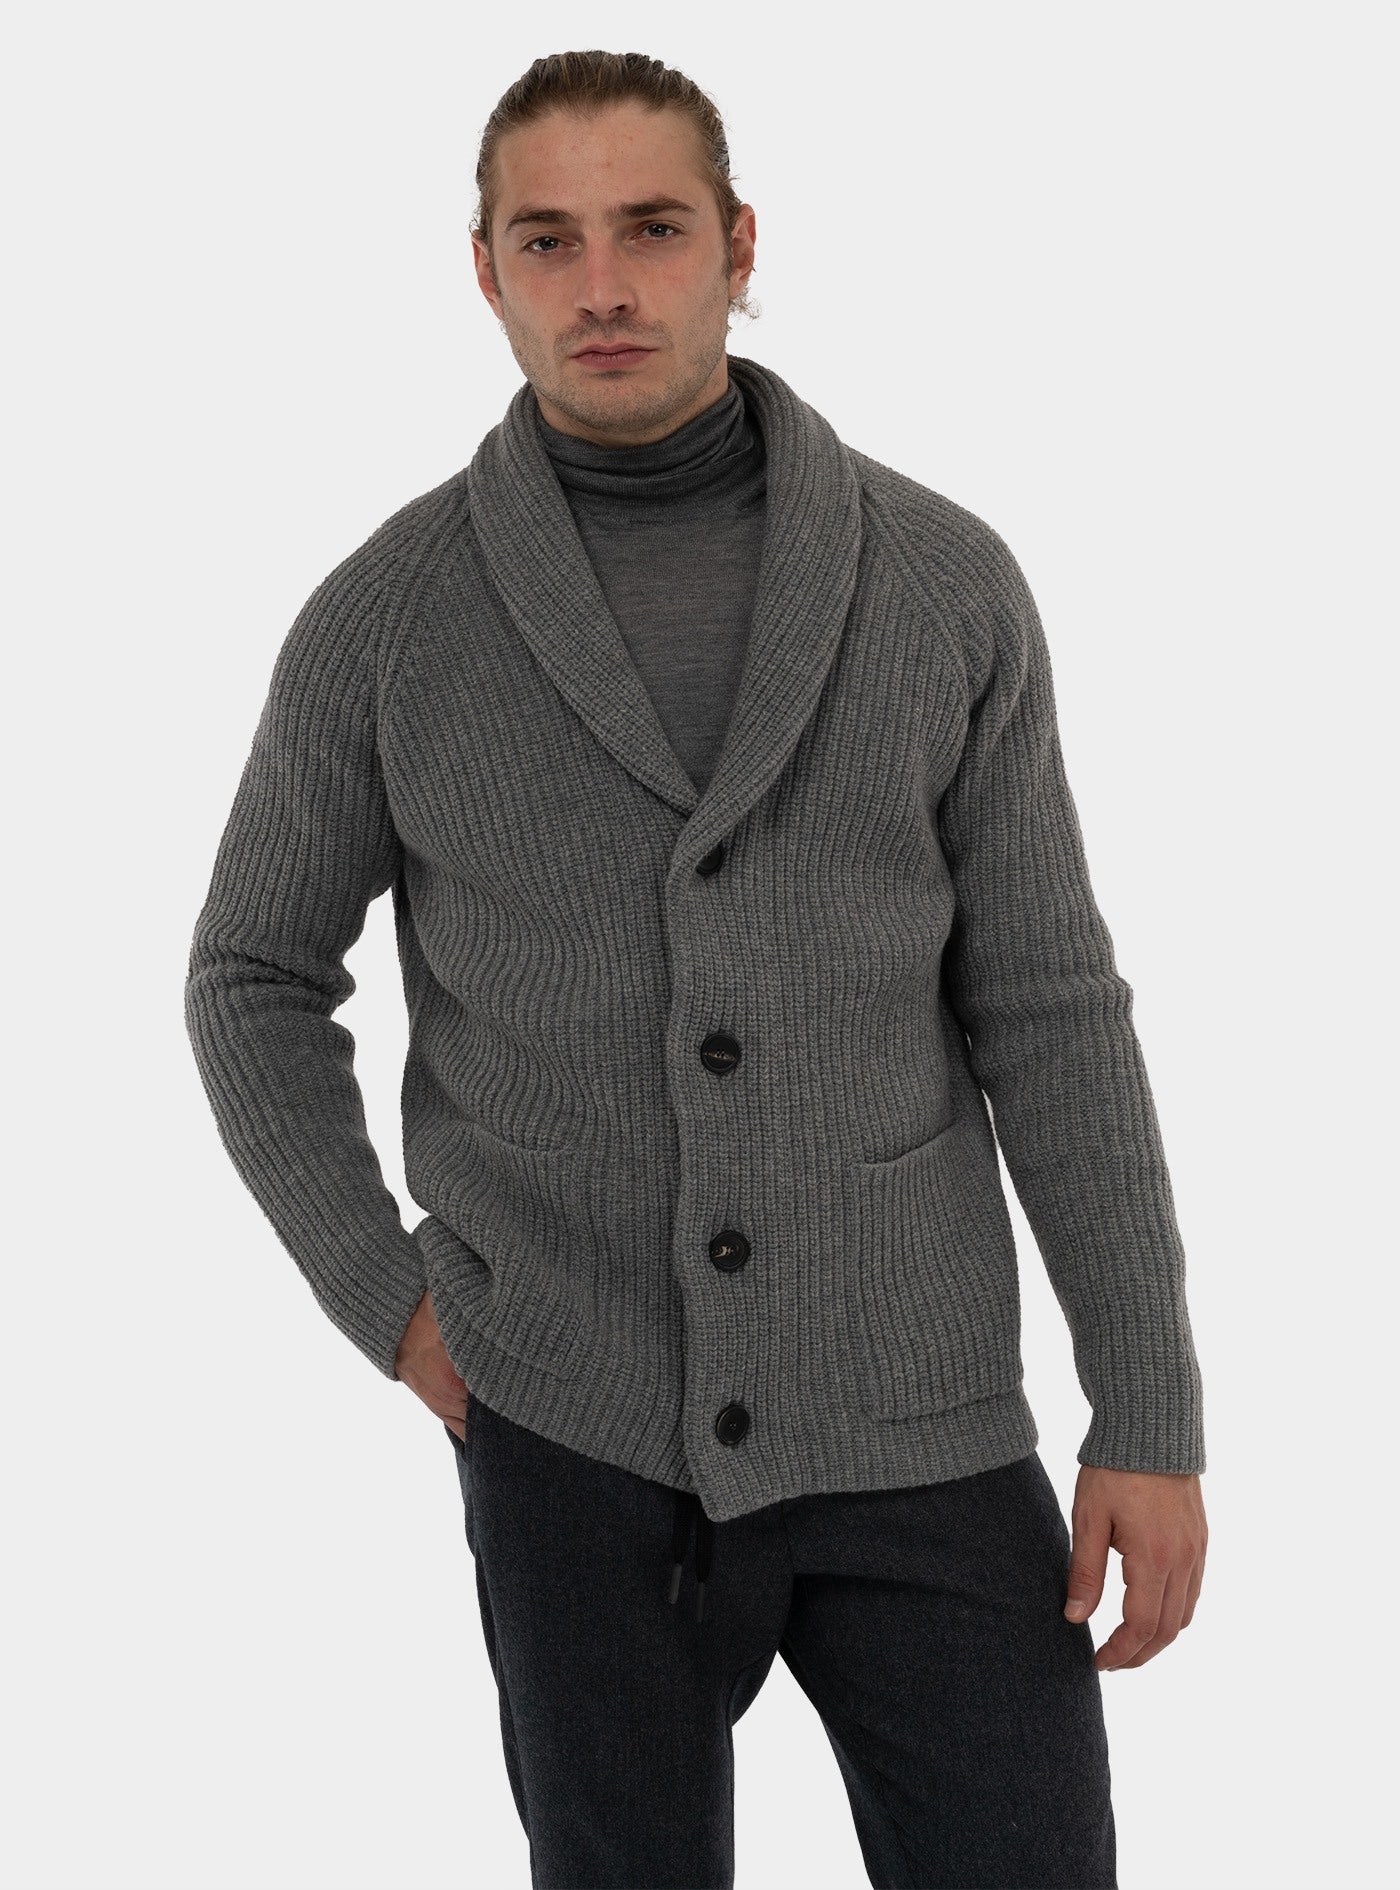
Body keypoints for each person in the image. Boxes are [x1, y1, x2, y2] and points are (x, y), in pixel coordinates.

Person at [185, 47, 1208, 1890]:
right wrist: (394, 1302)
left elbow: (1053, 1006)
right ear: (484, 271)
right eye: (548, 239)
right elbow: (251, 973)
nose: (603, 285)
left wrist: (1147, 1406)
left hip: (917, 1404)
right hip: (568, 1419)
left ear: (740, 246)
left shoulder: (940, 582)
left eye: (652, 229)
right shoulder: (387, 619)